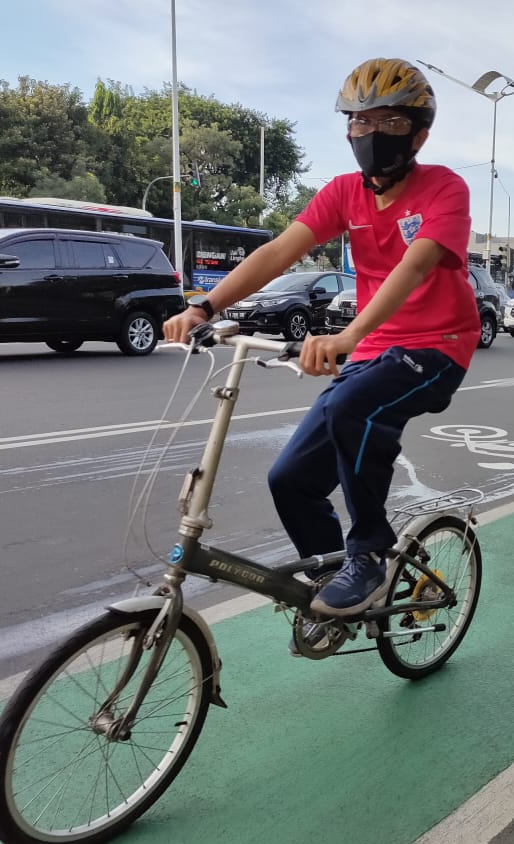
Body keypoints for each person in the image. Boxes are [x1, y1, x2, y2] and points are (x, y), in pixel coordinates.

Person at [163, 58, 479, 640]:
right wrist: (204, 307)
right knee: (291, 480)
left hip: (437, 349)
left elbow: (415, 267)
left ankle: (367, 554)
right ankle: (337, 588)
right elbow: (278, 253)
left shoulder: (444, 188)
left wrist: (347, 335)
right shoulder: (343, 194)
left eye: (385, 121)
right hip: (374, 353)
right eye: (357, 122)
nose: (369, 133)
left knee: (351, 408)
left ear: (417, 133)